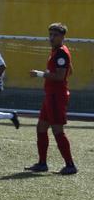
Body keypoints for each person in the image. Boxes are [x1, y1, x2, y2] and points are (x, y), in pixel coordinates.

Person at [25, 23, 77, 175]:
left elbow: (61, 76)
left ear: (62, 37)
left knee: (57, 130)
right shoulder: (57, 51)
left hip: (56, 96)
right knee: (41, 127)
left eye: (55, 35)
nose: (52, 38)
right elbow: (70, 71)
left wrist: (41, 74)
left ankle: (70, 165)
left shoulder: (61, 53)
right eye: (50, 35)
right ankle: (42, 163)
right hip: (51, 95)